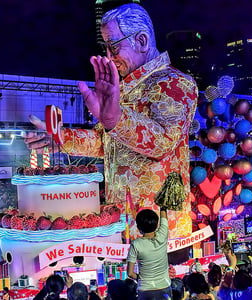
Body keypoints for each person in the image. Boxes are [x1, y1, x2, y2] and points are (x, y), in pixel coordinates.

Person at [24, 3, 198, 239]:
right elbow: (104, 141)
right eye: (106, 46)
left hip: (162, 233)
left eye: (114, 46)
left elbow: (163, 143)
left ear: (142, 40)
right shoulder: (123, 87)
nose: (109, 56)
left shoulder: (175, 83)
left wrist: (115, 119)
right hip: (119, 226)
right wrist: (59, 136)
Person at [127, 207, 171, 299]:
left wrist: (142, 279)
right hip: (164, 287)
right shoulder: (162, 236)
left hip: (145, 290)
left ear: (139, 227)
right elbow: (164, 219)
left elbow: (130, 273)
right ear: (156, 224)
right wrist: (163, 206)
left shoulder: (136, 245)